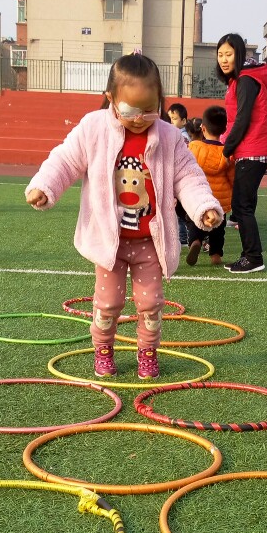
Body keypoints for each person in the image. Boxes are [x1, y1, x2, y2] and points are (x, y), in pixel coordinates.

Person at [24, 52, 222, 380]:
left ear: (160, 101)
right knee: (108, 303)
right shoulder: (94, 128)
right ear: (111, 98)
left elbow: (188, 176)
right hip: (109, 242)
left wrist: (204, 206)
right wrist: (45, 186)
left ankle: (148, 353)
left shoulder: (170, 137)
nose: (140, 118)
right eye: (130, 110)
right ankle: (103, 349)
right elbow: (65, 160)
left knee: (151, 303)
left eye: (150, 109)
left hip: (149, 242)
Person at [217, 33, 267, 275]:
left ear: (239, 54)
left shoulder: (246, 80)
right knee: (242, 206)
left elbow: (242, 120)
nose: (224, 59)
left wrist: (226, 149)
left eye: (229, 54)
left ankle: (253, 257)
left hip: (253, 150)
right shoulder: (240, 79)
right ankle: (248, 255)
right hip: (251, 150)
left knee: (243, 206)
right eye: (220, 55)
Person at [185, 105, 233, 268]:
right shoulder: (226, 153)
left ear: (203, 128)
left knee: (194, 220)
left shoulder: (194, 147)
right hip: (220, 199)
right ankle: (216, 255)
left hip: (198, 195)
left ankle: (195, 241)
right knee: (218, 228)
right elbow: (232, 177)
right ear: (224, 130)